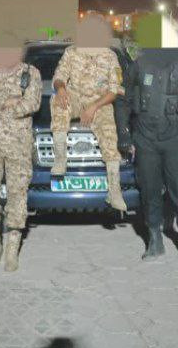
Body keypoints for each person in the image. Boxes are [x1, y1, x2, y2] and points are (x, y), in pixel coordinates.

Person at [116, 13, 178, 263]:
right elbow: (123, 102)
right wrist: (124, 135)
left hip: (174, 138)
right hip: (145, 139)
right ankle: (154, 240)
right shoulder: (137, 66)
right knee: (150, 190)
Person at [50, 17, 127, 211]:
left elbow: (113, 91)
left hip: (100, 102)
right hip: (75, 97)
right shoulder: (71, 52)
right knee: (57, 101)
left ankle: (114, 192)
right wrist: (60, 88)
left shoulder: (110, 56)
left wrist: (93, 107)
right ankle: (60, 159)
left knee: (110, 135)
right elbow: (59, 76)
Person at [0, 48, 42, 271]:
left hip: (18, 146)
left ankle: (12, 249)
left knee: (17, 195)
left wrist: (2, 103)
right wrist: (7, 101)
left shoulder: (30, 73)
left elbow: (32, 104)